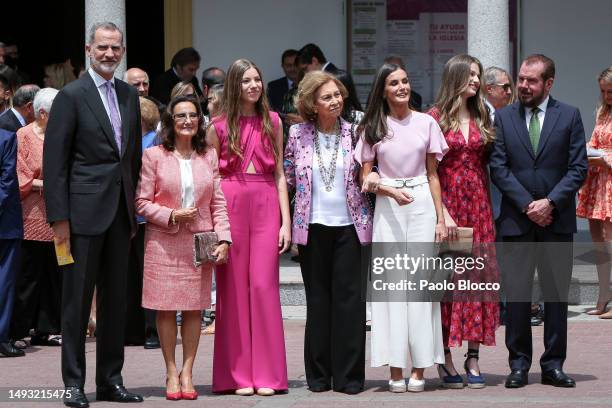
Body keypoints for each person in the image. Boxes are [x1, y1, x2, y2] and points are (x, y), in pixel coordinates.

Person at [43, 22, 144, 407]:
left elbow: (130, 158)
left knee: (116, 303)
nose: (109, 54)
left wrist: (132, 210)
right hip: (81, 217)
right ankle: (73, 384)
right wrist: (60, 219)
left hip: (120, 216)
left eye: (115, 48)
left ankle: (110, 381)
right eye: (102, 47)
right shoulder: (71, 96)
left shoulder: (128, 94)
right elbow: (56, 164)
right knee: (76, 304)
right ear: (89, 49)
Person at [490, 54, 587, 389]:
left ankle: (553, 365)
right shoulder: (503, 118)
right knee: (516, 295)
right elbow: (498, 168)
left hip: (556, 221)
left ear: (549, 83)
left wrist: (550, 203)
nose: (523, 86)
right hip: (517, 221)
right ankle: (518, 364)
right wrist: (528, 204)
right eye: (520, 79)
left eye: (531, 81)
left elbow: (578, 168)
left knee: (555, 295)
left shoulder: (570, 116)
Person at [356, 63, 448, 393]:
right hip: (388, 206)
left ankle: (421, 368)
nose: (401, 87)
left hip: (422, 201)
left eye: (405, 81)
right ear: (382, 89)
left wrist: (441, 219)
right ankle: (395, 367)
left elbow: (434, 175)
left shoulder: (427, 122)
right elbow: (364, 178)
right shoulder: (372, 126)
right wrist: (389, 189)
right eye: (394, 83)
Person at [136, 95, 231, 400]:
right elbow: (141, 202)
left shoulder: (208, 155)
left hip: (199, 241)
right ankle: (169, 370)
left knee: (193, 310)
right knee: (165, 310)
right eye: (180, 116)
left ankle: (188, 371)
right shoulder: (154, 155)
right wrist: (172, 215)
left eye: (192, 115)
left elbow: (217, 201)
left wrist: (225, 238)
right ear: (170, 122)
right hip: (163, 241)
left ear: (200, 121)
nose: (187, 120)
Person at [284, 71, 373, 394]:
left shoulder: (356, 132)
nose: (336, 101)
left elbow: (369, 172)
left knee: (350, 303)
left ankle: (349, 377)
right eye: (327, 97)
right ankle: (319, 375)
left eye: (338, 94)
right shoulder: (297, 134)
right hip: (312, 227)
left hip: (351, 226)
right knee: (319, 302)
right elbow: (288, 179)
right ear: (312, 103)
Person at [207, 58, 290, 396]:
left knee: (263, 287)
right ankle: (238, 376)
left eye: (257, 79)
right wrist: (216, 225)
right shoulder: (217, 126)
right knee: (232, 291)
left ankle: (269, 376)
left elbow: (281, 173)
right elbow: (211, 179)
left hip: (267, 201)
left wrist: (285, 223)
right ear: (234, 86)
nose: (254, 85)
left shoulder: (274, 121)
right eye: (246, 81)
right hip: (231, 202)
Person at [427, 54, 499, 389]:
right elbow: (429, 171)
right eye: (471, 74)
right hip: (450, 211)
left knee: (477, 282)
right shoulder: (435, 118)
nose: (476, 79)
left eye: (479, 75)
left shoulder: (484, 113)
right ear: (456, 76)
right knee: (450, 284)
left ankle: (473, 355)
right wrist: (443, 214)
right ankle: (445, 355)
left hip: (480, 209)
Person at [10, 88, 63, 349]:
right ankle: (19, 328)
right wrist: (47, 183)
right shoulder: (23, 136)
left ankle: (48, 328)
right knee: (28, 275)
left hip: (59, 214)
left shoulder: (62, 136)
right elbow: (20, 176)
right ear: (42, 114)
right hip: (31, 214)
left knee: (55, 274)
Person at [124, 97, 161, 350]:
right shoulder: (143, 141)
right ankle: (143, 330)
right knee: (138, 274)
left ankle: (147, 330)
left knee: (142, 275)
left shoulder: (150, 143)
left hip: (142, 217)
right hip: (137, 216)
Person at [576, 66, 612, 319]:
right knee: (599, 242)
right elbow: (595, 142)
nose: (607, 95)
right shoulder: (603, 112)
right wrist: (587, 150)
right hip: (598, 181)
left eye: (611, 91)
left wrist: (606, 159)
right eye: (603, 91)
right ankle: (603, 295)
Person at [0, 127, 23, 358]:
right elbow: (6, 181)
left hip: (7, 224)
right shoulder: (6, 138)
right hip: (5, 224)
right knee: (4, 280)